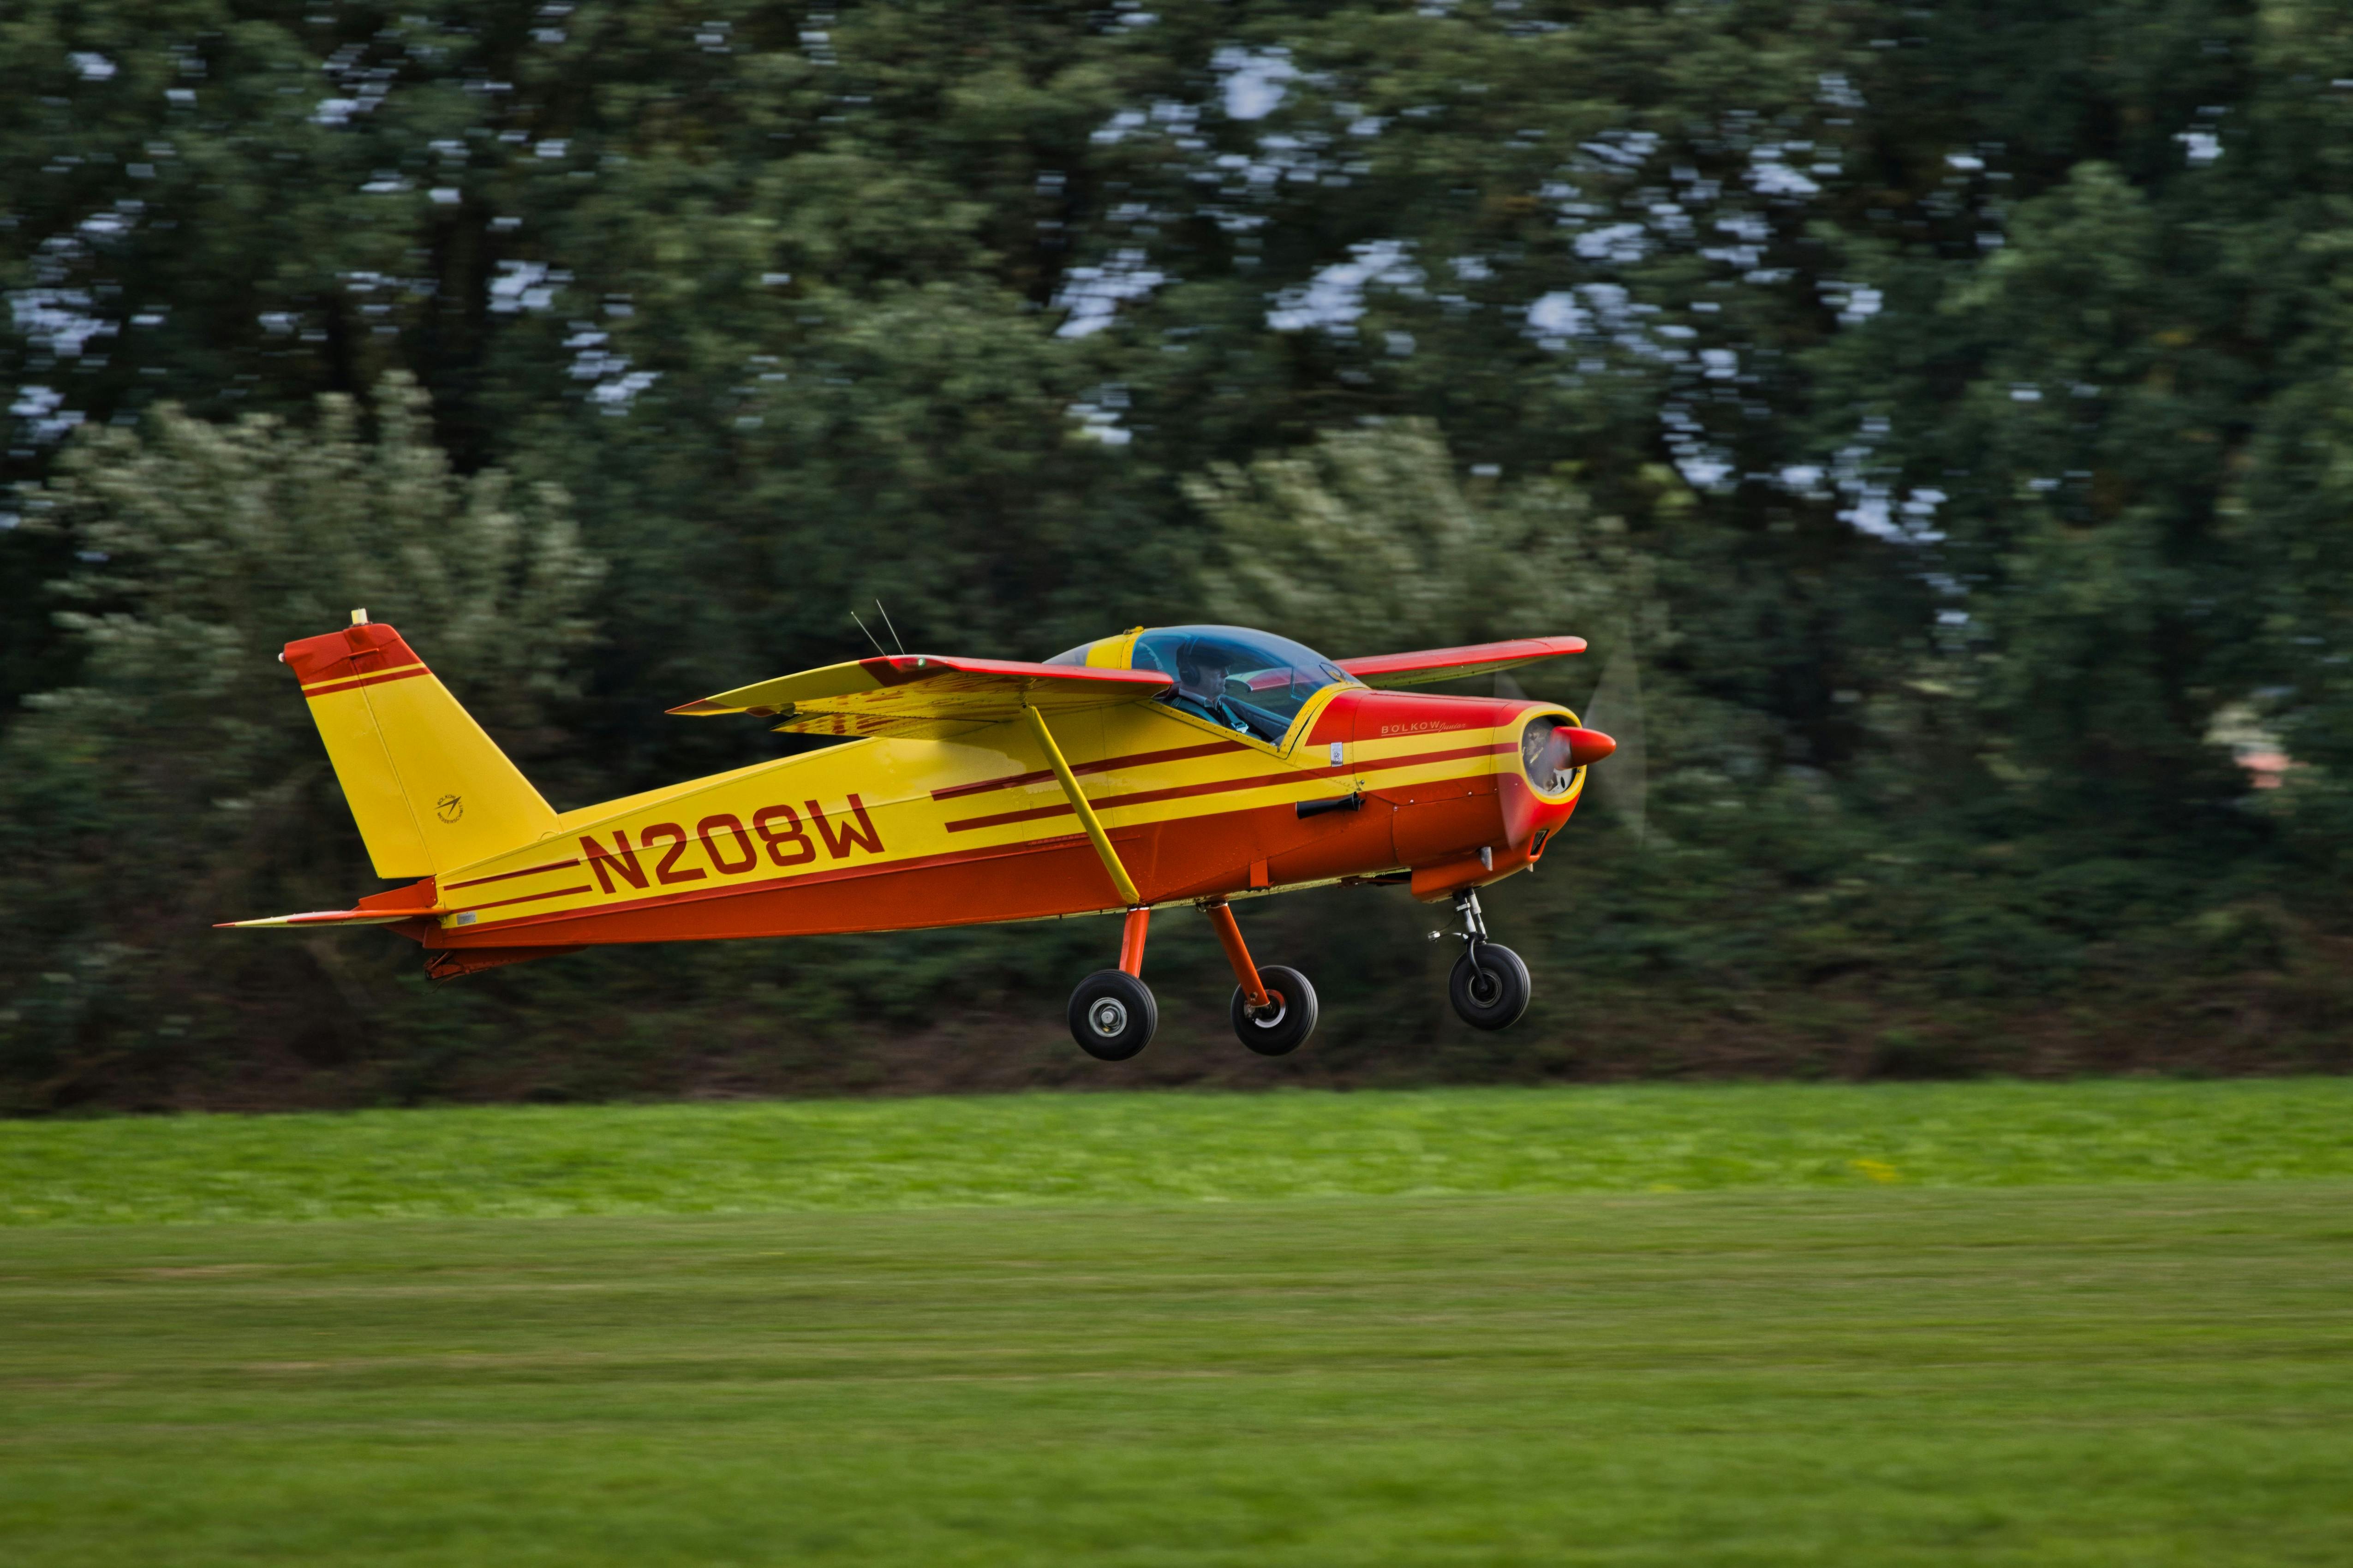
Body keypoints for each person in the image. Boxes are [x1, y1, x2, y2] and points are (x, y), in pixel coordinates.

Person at [1165, 639, 1256, 734]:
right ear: (1190, 672)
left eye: (1227, 667)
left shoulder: (1231, 706)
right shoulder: (1176, 716)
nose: (1226, 674)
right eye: (1218, 667)